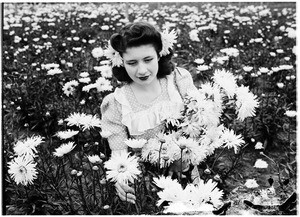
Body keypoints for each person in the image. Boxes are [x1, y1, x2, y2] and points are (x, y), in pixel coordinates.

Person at [100, 21, 198, 204]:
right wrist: (121, 178)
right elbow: (119, 152)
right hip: (145, 181)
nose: (142, 70)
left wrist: (184, 157)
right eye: (132, 63)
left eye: (148, 59)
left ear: (159, 55)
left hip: (185, 169)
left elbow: (199, 122)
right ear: (121, 62)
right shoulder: (117, 103)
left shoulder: (179, 81)